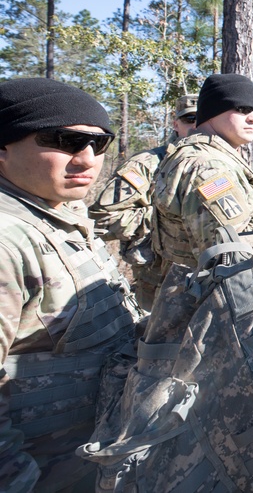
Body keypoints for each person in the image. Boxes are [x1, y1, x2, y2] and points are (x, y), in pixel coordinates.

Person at [0, 78, 141, 492]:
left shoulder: (59, 216)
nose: (87, 160)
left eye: (99, 145)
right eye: (63, 141)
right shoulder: (8, 236)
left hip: (88, 461)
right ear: (4, 148)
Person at [153, 74, 253, 281]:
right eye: (241, 109)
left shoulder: (206, 155)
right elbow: (237, 254)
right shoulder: (207, 166)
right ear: (213, 110)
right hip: (206, 301)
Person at [90, 93, 198, 310]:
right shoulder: (147, 164)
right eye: (189, 119)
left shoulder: (214, 164)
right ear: (176, 124)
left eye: (202, 120)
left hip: (204, 278)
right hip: (158, 283)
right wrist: (164, 219)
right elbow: (103, 217)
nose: (196, 126)